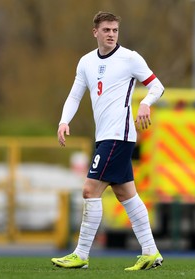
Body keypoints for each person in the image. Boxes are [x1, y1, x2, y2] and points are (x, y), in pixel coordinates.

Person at [51, 11, 164, 271]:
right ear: (95, 32)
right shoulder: (86, 62)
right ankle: (150, 251)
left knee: (89, 190)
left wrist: (145, 103)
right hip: (105, 136)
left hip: (119, 136)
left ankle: (81, 254)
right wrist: (63, 121)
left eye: (114, 30)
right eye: (106, 30)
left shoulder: (130, 58)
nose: (111, 34)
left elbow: (157, 86)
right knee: (126, 194)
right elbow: (74, 96)